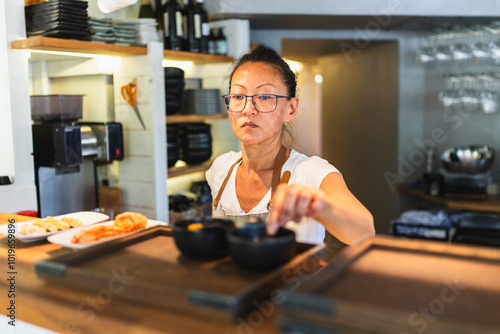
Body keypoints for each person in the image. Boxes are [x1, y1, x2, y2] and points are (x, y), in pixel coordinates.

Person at [206, 44, 374, 245]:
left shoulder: (310, 172)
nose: (248, 109)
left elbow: (365, 232)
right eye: (238, 96)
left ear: (291, 109)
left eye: (264, 96)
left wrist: (319, 206)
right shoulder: (221, 168)